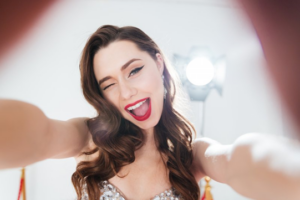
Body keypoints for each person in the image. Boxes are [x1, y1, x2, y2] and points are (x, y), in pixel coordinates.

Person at [1, 1, 300, 200]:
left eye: (134, 70)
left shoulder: (192, 156)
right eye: (109, 84)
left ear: (158, 64)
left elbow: (237, 162)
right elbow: (42, 135)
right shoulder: (88, 139)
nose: (127, 92)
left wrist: (292, 168)